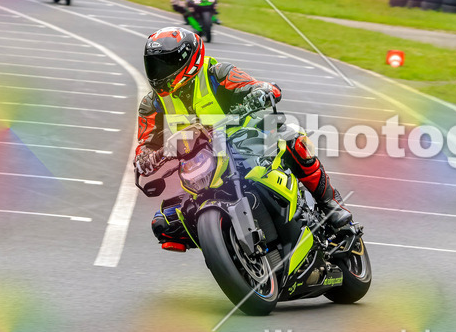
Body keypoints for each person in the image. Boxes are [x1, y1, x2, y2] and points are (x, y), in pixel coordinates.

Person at [133, 26, 353, 251]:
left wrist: (261, 92)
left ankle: (331, 204)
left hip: (245, 141)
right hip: (200, 164)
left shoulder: (216, 73)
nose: (159, 71)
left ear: (187, 59)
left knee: (292, 138)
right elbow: (145, 146)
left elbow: (253, 86)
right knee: (165, 223)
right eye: (154, 64)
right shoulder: (152, 105)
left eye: (166, 63)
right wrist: (148, 159)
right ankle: (228, 249)